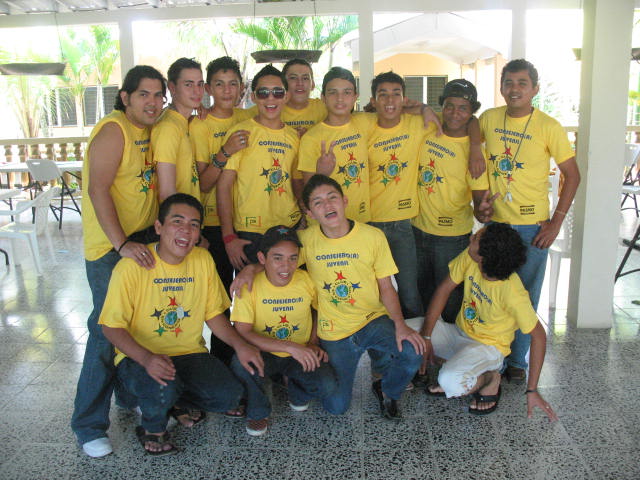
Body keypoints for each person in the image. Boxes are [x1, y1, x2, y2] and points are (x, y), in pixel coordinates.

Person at [99, 193, 264, 455]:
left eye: (194, 224)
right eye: (177, 221)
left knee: (230, 395)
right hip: (141, 357)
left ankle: (173, 401)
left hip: (189, 353)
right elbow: (110, 327)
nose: (186, 230)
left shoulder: (202, 259)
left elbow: (213, 315)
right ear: (159, 227)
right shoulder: (131, 266)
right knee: (162, 388)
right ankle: (152, 427)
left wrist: (240, 345)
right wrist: (147, 358)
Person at [71, 65, 166, 458]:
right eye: (144, 94)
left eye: (158, 95)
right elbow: (97, 189)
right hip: (111, 248)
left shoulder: (149, 131)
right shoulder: (114, 130)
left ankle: (129, 395)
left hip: (140, 240)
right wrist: (121, 243)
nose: (152, 102)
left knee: (135, 326)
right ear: (125, 97)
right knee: (106, 331)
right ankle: (88, 425)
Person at [479, 59, 580, 383]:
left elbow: (573, 175)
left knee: (525, 297)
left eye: (522, 83)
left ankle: (517, 363)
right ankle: (494, 358)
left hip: (532, 228)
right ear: (501, 87)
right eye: (508, 82)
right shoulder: (489, 118)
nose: (515, 89)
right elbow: (466, 130)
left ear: (535, 89)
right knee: (494, 294)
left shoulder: (549, 126)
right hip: (496, 226)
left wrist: (555, 223)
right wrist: (474, 153)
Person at [300, 174, 425, 418]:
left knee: (413, 351)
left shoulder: (372, 236)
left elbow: (386, 287)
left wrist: (400, 325)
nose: (327, 205)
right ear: (310, 214)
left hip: (372, 320)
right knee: (336, 408)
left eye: (332, 197)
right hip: (335, 331)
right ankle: (317, 375)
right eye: (318, 202)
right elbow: (276, 262)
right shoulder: (305, 241)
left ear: (345, 201)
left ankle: (387, 389)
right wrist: (250, 271)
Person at [419, 223, 558, 421]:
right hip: (458, 333)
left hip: (488, 348)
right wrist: (425, 337)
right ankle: (456, 365)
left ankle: (490, 377)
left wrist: (532, 389)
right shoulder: (470, 257)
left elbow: (539, 337)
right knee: (407, 335)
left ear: (484, 257)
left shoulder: (513, 293)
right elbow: (444, 289)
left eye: (476, 238)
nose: (471, 237)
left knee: (450, 382)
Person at [230, 225, 337, 436]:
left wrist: (313, 342)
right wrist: (290, 347)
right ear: (262, 258)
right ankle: (259, 411)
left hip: (300, 351)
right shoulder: (249, 286)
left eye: (292, 258)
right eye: (277, 258)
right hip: (265, 353)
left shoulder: (306, 280)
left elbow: (318, 311)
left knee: (327, 385)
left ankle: (296, 391)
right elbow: (243, 332)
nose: (286, 266)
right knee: (241, 364)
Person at [412, 79, 495, 323]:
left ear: (471, 112)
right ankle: (423, 343)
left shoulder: (476, 155)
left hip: (452, 237)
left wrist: (483, 212)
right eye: (449, 106)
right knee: (419, 296)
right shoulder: (430, 126)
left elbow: (479, 205)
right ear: (442, 106)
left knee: (450, 301)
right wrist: (424, 107)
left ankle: (448, 343)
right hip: (416, 230)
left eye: (463, 108)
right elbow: (401, 105)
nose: (455, 113)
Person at [190, 56, 253, 364]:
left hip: (246, 222)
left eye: (232, 84)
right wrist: (226, 151)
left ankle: (253, 361)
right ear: (208, 89)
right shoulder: (200, 125)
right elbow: (203, 183)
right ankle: (223, 363)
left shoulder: (249, 117)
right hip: (214, 225)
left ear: (241, 88)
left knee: (249, 297)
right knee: (220, 300)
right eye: (219, 84)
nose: (227, 90)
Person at [216, 64, 302, 272]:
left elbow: (297, 183)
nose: (270, 99)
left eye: (277, 92)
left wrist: (304, 220)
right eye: (263, 93)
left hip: (289, 228)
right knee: (251, 289)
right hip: (250, 233)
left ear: (287, 96)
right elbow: (224, 186)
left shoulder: (295, 137)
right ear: (254, 97)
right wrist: (229, 238)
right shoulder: (240, 132)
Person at [367, 71, 434, 319]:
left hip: (403, 225)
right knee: (373, 294)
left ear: (404, 99)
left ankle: (417, 340)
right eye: (383, 94)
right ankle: (385, 340)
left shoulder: (417, 124)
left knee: (409, 293)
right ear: (373, 101)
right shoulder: (363, 126)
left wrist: (425, 108)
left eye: (396, 94)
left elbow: (461, 122)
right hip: (369, 225)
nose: (389, 100)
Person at [298, 67, 374, 224]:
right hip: (326, 224)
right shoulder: (311, 138)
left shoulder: (365, 122)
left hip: (361, 220)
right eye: (333, 92)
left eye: (347, 92)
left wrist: (423, 109)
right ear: (323, 98)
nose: (340, 98)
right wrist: (322, 173)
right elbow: (308, 191)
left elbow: (395, 114)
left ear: (355, 97)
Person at [153, 57, 204, 202]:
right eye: (188, 85)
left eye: (200, 84)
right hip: (179, 214)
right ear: (172, 87)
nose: (197, 91)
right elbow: (167, 192)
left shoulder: (182, 121)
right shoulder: (168, 127)